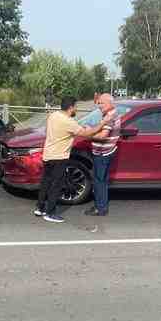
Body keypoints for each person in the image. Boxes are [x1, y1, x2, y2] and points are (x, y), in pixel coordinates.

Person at [36, 96, 107, 224]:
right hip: (59, 157)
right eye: (76, 107)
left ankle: (40, 208)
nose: (77, 109)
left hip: (48, 154)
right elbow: (88, 134)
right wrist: (103, 123)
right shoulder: (68, 122)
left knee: (46, 182)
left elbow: (49, 130)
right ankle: (50, 213)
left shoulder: (53, 115)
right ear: (70, 108)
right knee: (56, 185)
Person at [84, 93, 121, 217]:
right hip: (106, 151)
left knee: (99, 181)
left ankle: (100, 208)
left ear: (110, 103)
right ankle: (101, 206)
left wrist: (87, 133)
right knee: (102, 180)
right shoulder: (111, 113)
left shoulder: (109, 116)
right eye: (99, 103)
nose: (99, 106)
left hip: (102, 153)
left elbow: (102, 136)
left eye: (102, 103)